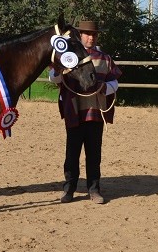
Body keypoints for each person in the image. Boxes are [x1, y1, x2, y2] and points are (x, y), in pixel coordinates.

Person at [49, 19, 121, 204]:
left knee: (94, 154)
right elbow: (54, 78)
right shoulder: (68, 56)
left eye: (94, 34)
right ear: (80, 35)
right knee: (71, 153)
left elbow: (115, 82)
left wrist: (106, 87)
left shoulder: (105, 58)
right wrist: (59, 72)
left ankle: (94, 189)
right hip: (75, 111)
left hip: (95, 112)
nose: (91, 37)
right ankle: (69, 189)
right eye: (88, 34)